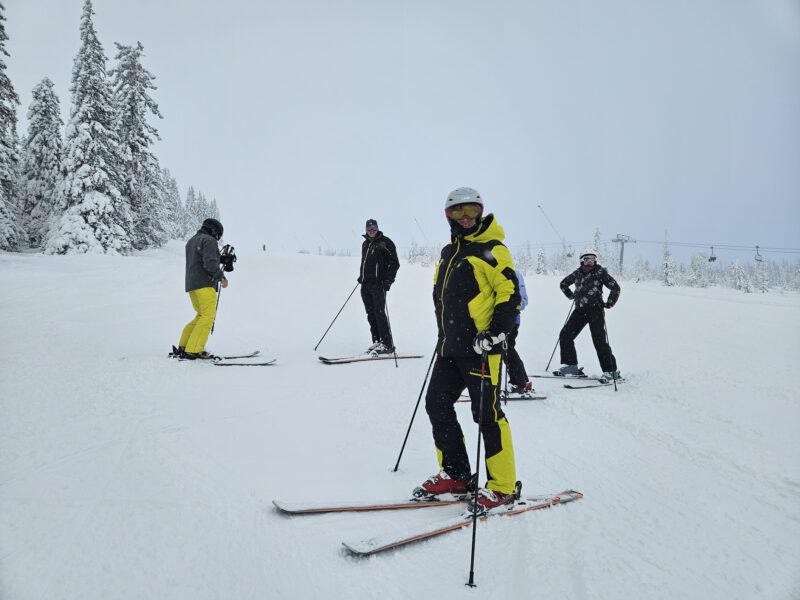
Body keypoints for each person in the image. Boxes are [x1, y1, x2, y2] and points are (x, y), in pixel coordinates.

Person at [414, 187, 522, 513]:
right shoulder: (450, 253)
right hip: (450, 348)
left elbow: (510, 292)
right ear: (448, 216)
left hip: (481, 349)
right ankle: (458, 474)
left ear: (480, 212)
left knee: (487, 415)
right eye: (458, 212)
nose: (465, 218)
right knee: (436, 404)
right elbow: (445, 298)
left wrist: (496, 333)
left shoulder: (492, 249)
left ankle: (502, 487)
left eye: (471, 211)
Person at [557, 249, 621, 380]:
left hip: (595, 310)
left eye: (592, 259)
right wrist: (572, 295)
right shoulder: (577, 273)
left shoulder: (600, 272)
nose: (590, 262)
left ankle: (611, 371)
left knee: (599, 341)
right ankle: (571, 366)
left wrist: (609, 303)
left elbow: (615, 287)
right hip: (580, 310)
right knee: (565, 335)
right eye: (587, 259)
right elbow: (563, 284)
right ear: (582, 261)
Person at [175, 218, 229, 360]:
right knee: (207, 316)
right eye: (218, 234)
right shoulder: (209, 240)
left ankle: (184, 346)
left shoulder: (192, 241)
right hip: (205, 284)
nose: (217, 238)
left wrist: (221, 259)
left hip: (192, 285)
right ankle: (194, 350)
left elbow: (201, 259)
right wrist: (221, 277)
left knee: (200, 315)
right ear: (214, 231)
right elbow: (210, 263)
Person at [357, 219, 399, 354]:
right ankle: (377, 341)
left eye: (374, 228)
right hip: (365, 285)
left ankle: (387, 344)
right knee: (371, 314)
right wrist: (362, 277)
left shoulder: (386, 242)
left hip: (379, 285)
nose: (371, 230)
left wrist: (388, 281)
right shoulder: (365, 244)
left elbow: (395, 264)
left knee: (379, 313)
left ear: (377, 228)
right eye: (369, 228)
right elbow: (365, 263)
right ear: (366, 230)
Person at [504, 269, 532, 395]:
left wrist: (508, 307)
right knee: (506, 351)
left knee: (507, 349)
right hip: (497, 320)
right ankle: (519, 381)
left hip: (511, 320)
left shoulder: (515, 274)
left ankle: (521, 383)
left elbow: (524, 301)